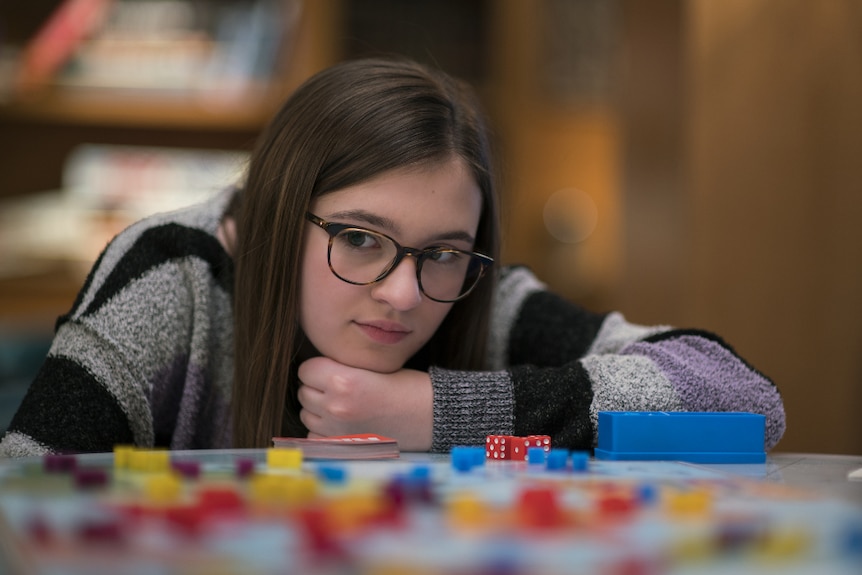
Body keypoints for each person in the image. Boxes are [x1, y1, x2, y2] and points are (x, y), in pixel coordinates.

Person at [0, 57, 785, 458]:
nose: (406, 294)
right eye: (361, 238)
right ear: (278, 220)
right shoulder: (172, 278)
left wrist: (437, 410)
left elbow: (744, 398)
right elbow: (23, 496)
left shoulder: (475, 289)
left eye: (443, 251)